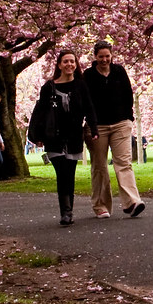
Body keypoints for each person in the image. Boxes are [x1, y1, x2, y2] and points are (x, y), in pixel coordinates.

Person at [29, 50, 98, 226]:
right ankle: (65, 213)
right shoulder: (48, 87)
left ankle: (69, 211)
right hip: (54, 136)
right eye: (65, 61)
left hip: (74, 135)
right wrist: (37, 135)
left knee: (70, 173)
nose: (69, 65)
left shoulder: (81, 86)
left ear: (76, 65)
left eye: (72, 61)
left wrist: (94, 128)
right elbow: (40, 112)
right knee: (62, 173)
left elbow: (89, 108)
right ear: (59, 64)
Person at [85, 40, 146, 219]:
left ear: (112, 56)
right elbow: (86, 102)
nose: (104, 60)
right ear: (95, 57)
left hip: (120, 123)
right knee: (100, 166)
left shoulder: (119, 71)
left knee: (124, 163)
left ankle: (132, 202)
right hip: (98, 126)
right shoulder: (88, 75)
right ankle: (101, 206)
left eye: (107, 56)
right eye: (101, 57)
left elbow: (128, 94)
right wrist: (91, 124)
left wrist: (129, 118)